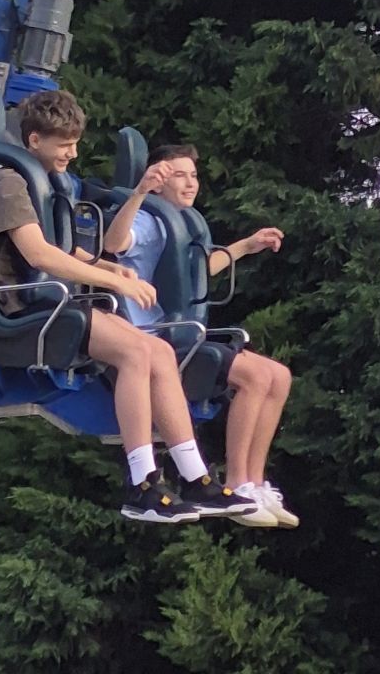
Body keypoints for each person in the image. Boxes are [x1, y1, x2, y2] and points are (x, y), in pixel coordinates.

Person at [0, 89, 259, 524]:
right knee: (136, 351)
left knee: (158, 350)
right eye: (64, 144)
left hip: (52, 301)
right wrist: (111, 280)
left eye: (75, 143)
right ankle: (141, 483)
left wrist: (110, 267)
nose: (72, 153)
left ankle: (194, 477)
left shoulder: (44, 182)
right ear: (34, 141)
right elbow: (39, 254)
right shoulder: (5, 183)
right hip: (14, 307)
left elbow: (63, 249)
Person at [104, 143, 297, 528]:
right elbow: (113, 244)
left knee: (280, 376)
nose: (190, 183)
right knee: (256, 377)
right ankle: (238, 481)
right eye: (179, 175)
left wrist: (246, 246)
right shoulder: (148, 221)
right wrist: (139, 193)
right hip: (155, 336)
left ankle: (255, 482)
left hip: (180, 335)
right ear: (159, 181)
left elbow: (198, 271)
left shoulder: (182, 224)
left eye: (193, 175)